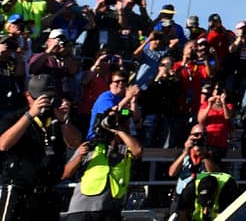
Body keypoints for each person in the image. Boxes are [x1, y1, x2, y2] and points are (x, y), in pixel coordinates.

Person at [0, 73, 84, 221]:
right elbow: (3, 144)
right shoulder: (14, 118)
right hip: (19, 190)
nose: (47, 103)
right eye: (42, 98)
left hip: (47, 191)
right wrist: (30, 115)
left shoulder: (56, 119)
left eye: (50, 98)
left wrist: (64, 121)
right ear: (28, 96)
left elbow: (75, 143)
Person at [63, 103, 143, 221]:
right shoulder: (91, 146)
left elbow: (138, 150)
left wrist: (118, 129)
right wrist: (79, 155)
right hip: (83, 208)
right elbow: (66, 174)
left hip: (110, 208)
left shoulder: (125, 148)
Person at [175, 169, 240, 221]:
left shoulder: (227, 189)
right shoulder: (191, 187)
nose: (205, 210)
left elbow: (226, 216)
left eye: (208, 201)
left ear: (215, 193)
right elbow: (182, 212)